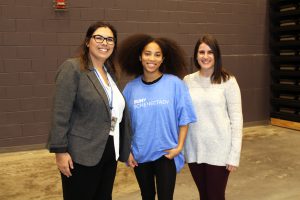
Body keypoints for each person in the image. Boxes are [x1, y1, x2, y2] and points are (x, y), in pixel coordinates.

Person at [46, 21, 131, 200]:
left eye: (110, 39)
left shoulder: (110, 73)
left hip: (110, 149)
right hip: (81, 153)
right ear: (87, 42)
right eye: (99, 38)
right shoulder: (73, 68)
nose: (104, 43)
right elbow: (60, 113)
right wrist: (60, 152)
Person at [118, 34, 197, 200]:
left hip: (166, 153)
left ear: (163, 59)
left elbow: (185, 118)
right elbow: (123, 124)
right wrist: (127, 151)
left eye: (157, 54)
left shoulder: (175, 84)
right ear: (140, 57)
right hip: (140, 154)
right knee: (146, 196)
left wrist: (179, 147)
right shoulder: (130, 89)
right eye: (147, 53)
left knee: (165, 197)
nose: (152, 58)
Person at [183, 34, 243, 200]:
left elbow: (237, 120)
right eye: (201, 52)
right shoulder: (187, 81)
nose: (205, 56)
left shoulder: (228, 81)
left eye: (210, 52)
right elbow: (183, 116)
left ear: (217, 55)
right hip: (195, 149)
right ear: (196, 55)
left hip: (219, 151)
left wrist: (234, 155)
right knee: (204, 195)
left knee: (215, 196)